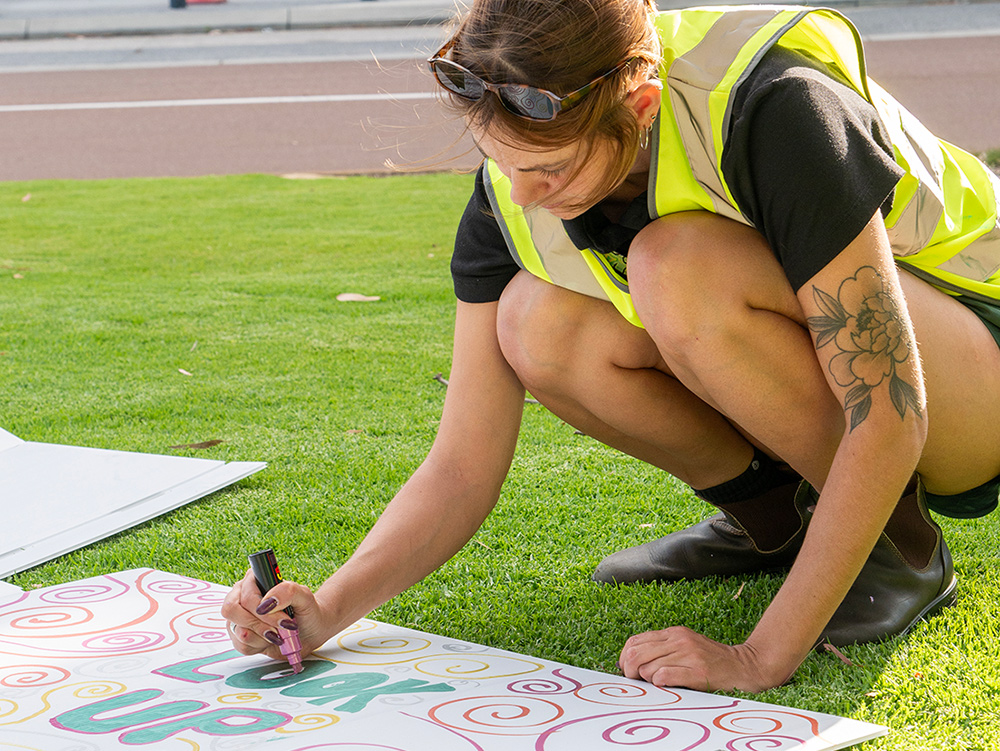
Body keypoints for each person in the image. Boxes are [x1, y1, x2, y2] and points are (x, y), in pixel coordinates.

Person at [222, 0, 1000, 693]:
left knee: (673, 268)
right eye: (501, 158)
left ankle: (901, 550)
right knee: (534, 319)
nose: (519, 192)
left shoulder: (776, 106)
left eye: (548, 166)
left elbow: (891, 411)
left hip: (973, 369)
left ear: (641, 106)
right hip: (884, 385)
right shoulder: (514, 184)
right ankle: (777, 523)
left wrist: (758, 657)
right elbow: (461, 461)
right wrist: (328, 610)